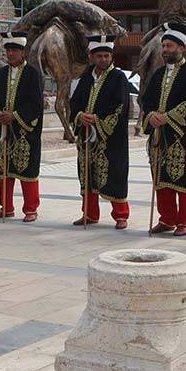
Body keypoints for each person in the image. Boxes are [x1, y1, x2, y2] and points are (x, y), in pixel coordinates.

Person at [141, 23, 186, 236]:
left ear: (180, 48)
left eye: (169, 46)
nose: (165, 50)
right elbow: (146, 100)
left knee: (184, 176)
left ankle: (185, 220)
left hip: (183, 135)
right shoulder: (157, 74)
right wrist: (151, 116)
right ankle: (167, 219)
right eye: (164, 46)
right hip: (160, 135)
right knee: (161, 177)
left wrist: (166, 117)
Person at [69, 34, 131, 228]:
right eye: (99, 56)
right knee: (86, 174)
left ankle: (121, 215)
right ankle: (89, 213)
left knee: (115, 173)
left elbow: (121, 106)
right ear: (91, 57)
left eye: (106, 55)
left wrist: (97, 119)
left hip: (111, 138)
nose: (103, 59)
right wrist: (79, 116)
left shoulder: (118, 77)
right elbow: (74, 103)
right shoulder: (85, 78)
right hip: (87, 137)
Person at [0, 30, 44, 222]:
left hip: (24, 131)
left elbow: (35, 103)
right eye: (8, 50)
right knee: (5, 170)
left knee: (28, 170)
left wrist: (16, 116)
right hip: (3, 131)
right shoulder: (2, 73)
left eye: (14, 50)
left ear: (23, 52)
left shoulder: (32, 74)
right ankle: (6, 207)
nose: (10, 53)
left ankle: (30, 209)